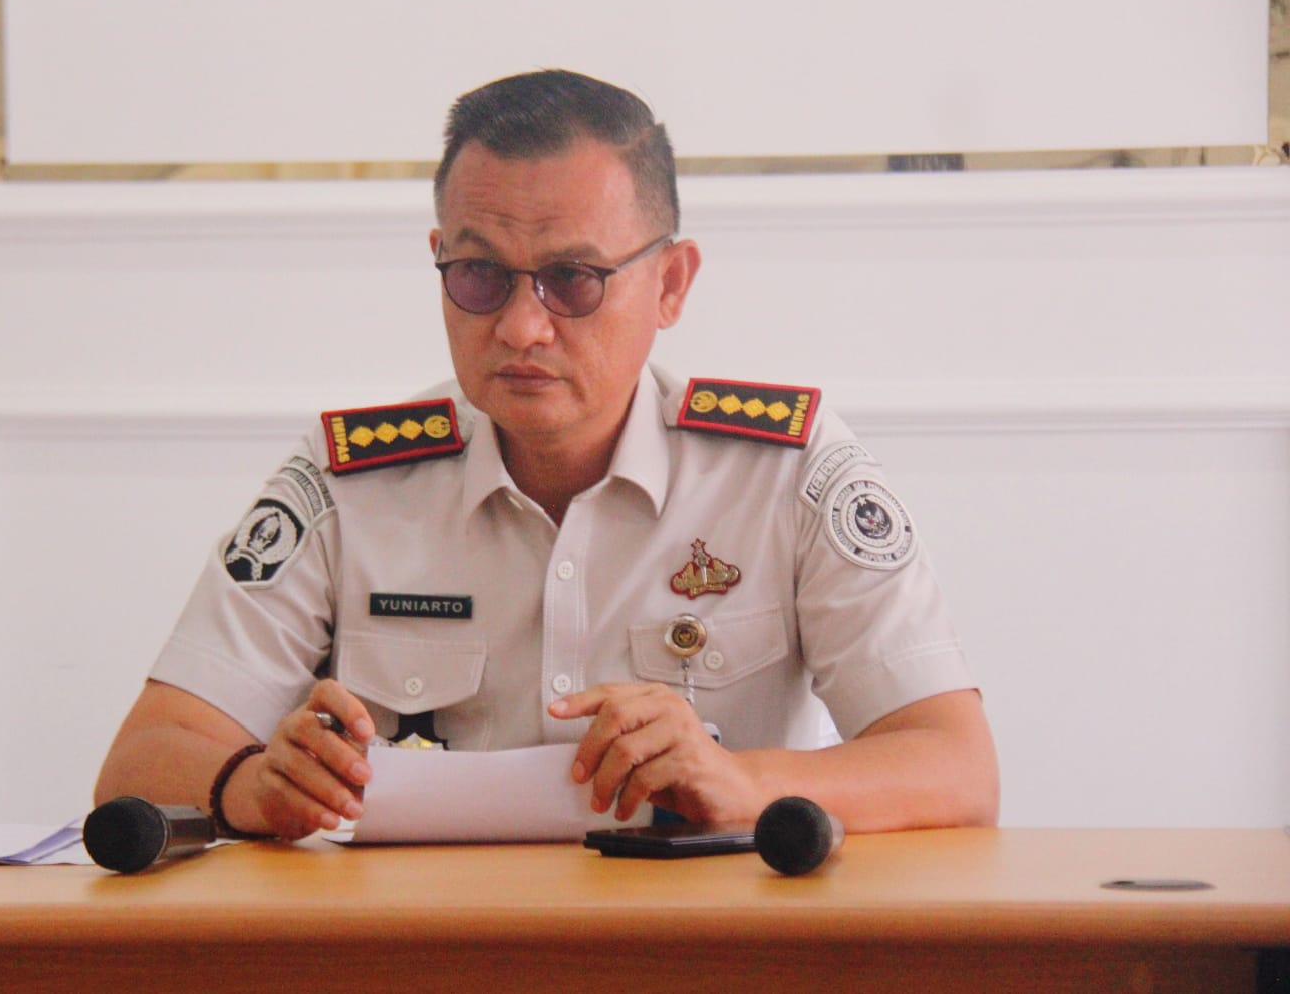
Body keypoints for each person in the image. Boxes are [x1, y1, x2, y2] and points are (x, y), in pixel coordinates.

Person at [95, 70, 999, 840]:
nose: (522, 327)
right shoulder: (350, 483)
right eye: (480, 276)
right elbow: (144, 758)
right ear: (440, 263)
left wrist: (745, 782)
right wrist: (248, 784)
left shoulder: (785, 473)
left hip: (702, 948)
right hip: (423, 952)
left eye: (573, 279)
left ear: (671, 283)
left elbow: (956, 765)